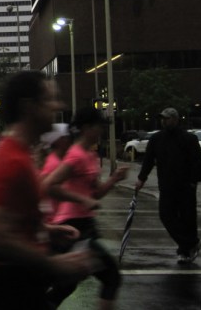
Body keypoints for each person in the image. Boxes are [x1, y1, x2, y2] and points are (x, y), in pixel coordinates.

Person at [0, 70, 91, 309]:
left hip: (23, 282)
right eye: (49, 99)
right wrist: (54, 264)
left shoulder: (23, 154)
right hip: (12, 287)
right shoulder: (11, 160)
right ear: (28, 107)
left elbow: (12, 219)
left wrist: (46, 229)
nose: (58, 106)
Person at [43, 107, 128, 310]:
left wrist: (114, 179)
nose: (102, 132)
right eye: (99, 127)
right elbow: (49, 185)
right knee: (111, 278)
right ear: (86, 128)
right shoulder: (75, 155)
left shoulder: (90, 155)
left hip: (85, 226)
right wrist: (82, 199)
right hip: (73, 227)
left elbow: (96, 194)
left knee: (66, 285)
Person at [135, 107, 201, 264]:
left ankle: (185, 250)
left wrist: (193, 181)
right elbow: (148, 160)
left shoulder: (188, 139)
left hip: (186, 186)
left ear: (175, 119)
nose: (164, 121)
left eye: (167, 118)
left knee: (187, 218)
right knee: (166, 216)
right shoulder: (156, 139)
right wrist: (141, 178)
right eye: (162, 118)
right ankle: (191, 243)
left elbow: (198, 161)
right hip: (166, 185)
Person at [38, 123, 72, 224]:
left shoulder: (58, 161)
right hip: (55, 219)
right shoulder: (54, 163)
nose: (69, 140)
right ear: (59, 141)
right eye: (66, 137)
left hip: (59, 217)